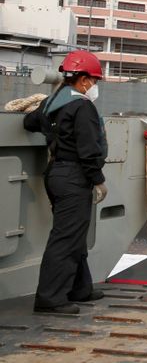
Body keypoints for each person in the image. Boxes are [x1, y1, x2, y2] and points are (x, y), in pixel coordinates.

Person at [23, 50, 108, 315]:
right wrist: (98, 180)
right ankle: (50, 298)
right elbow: (88, 148)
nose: (93, 86)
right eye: (93, 80)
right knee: (66, 236)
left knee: (75, 233)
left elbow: (29, 122)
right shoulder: (82, 106)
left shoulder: (52, 103)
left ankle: (79, 288)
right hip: (73, 176)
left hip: (55, 174)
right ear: (82, 79)